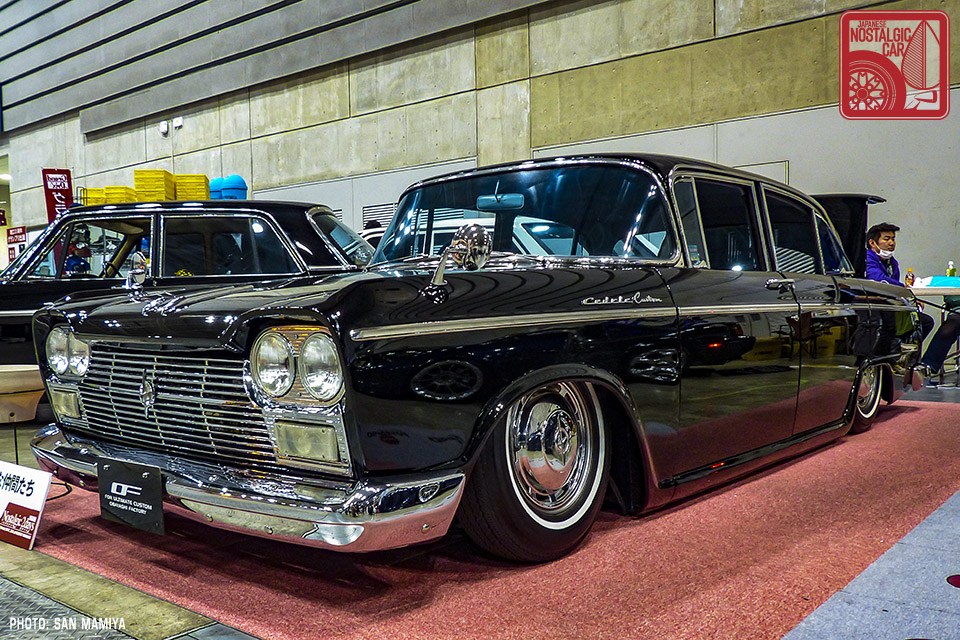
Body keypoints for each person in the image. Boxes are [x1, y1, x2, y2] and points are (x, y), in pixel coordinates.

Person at [863, 222, 934, 353]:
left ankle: (900, 351)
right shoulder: (867, 259)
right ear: (872, 243)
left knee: (925, 322)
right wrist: (906, 292)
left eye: (893, 239)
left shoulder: (892, 262)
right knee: (890, 324)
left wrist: (909, 299)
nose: (891, 243)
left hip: (892, 305)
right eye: (886, 239)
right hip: (874, 305)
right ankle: (887, 353)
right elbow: (878, 279)